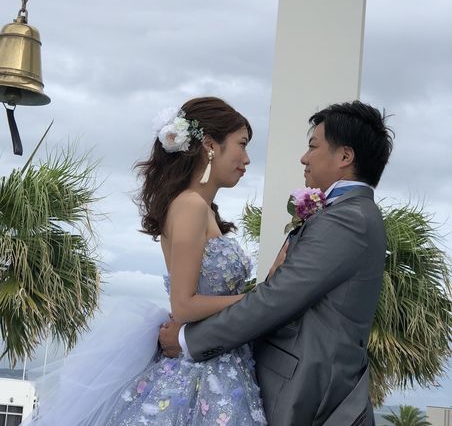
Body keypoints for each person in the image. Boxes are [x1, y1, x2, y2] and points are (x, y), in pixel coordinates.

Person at [25, 97, 271, 425]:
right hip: (200, 374)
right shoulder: (191, 206)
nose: (247, 159)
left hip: (218, 360)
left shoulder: (204, 209)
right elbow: (184, 305)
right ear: (211, 145)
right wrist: (258, 298)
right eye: (242, 144)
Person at [160, 100, 394, 426]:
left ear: (344, 157)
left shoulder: (348, 218)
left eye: (313, 146)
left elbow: (278, 299)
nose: (304, 157)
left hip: (307, 392)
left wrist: (188, 341)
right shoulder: (347, 214)